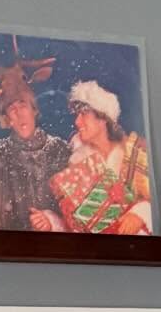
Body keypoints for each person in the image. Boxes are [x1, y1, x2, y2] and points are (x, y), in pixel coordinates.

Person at [35, 80, 153, 236]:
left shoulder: (136, 152)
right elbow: (75, 226)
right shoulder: (76, 164)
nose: (77, 122)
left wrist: (140, 213)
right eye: (76, 115)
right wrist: (50, 222)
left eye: (83, 114)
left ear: (103, 117)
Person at [0, 76, 70, 231]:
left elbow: (75, 207)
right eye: (12, 109)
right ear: (7, 120)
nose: (19, 113)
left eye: (23, 105)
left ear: (34, 110)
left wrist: (52, 221)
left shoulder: (60, 150)